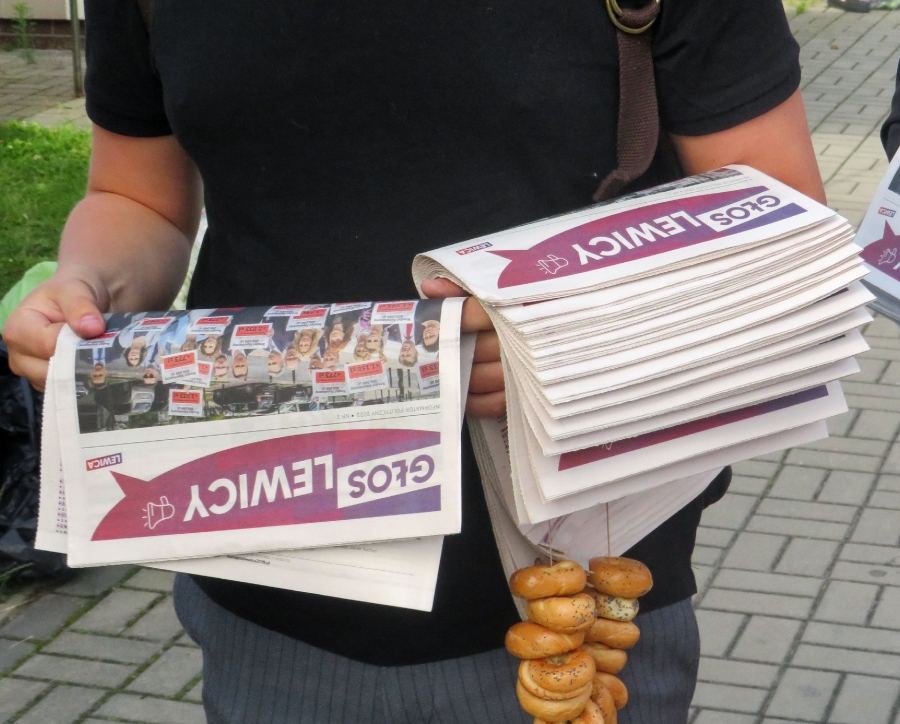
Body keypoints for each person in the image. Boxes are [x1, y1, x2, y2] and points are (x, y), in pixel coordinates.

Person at [4, 0, 825, 721]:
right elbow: (136, 197)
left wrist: (566, 334)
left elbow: (778, 213)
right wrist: (90, 284)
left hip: (575, 597)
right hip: (268, 582)